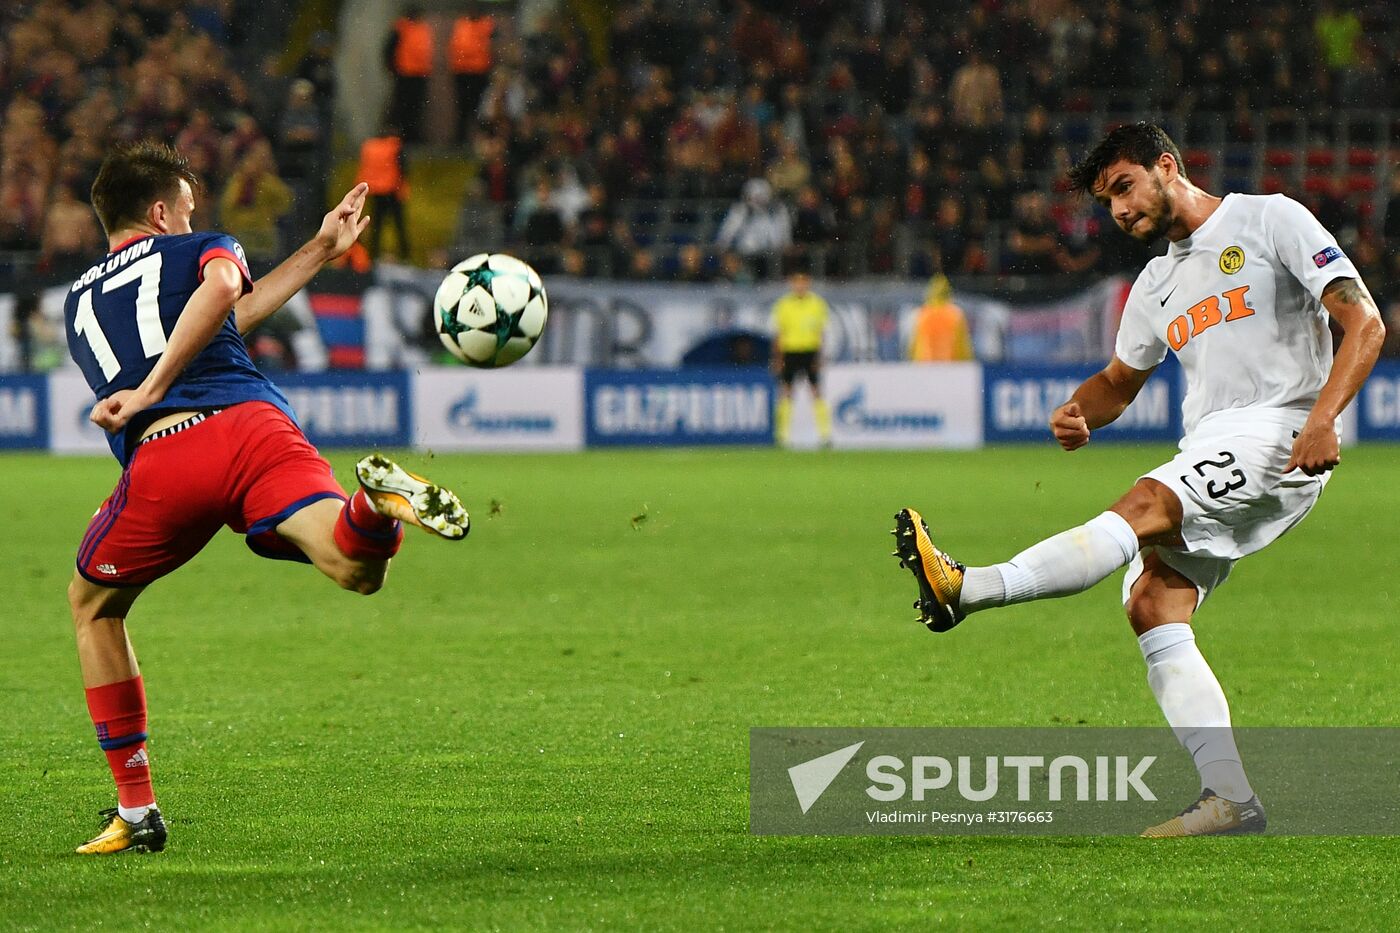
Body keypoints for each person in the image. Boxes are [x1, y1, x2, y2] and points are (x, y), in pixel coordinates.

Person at [891, 123, 1385, 837]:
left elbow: (1363, 322)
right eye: (1106, 201)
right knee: (1152, 603)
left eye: (1124, 186)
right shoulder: (1155, 284)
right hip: (1218, 442)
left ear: (1166, 165)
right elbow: (1120, 383)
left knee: (1147, 502)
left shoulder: (1269, 217)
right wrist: (1078, 412)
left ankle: (968, 588)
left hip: (1281, 432)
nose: (1119, 210)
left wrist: (1323, 419)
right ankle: (1229, 796)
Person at [64, 141, 470, 855]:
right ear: (160, 213)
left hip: (169, 456)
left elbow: (215, 315)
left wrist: (318, 249)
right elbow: (222, 295)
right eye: (186, 211)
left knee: (93, 604)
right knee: (351, 563)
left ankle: (137, 808)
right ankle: (374, 506)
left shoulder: (78, 301)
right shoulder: (200, 250)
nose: (193, 221)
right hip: (254, 426)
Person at [770, 270, 832, 447]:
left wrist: (819, 357)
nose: (800, 286)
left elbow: (821, 333)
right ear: (792, 284)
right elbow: (779, 334)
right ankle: (781, 436)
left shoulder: (817, 304)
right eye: (797, 283)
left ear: (808, 284)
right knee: (786, 392)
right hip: (790, 351)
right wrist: (778, 358)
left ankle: (825, 435)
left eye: (803, 283)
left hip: (809, 351)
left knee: (816, 392)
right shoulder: (784, 305)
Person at [357, 125, 411, 260]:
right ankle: (405, 255)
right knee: (399, 225)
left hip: (375, 190)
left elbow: (365, 165)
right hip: (391, 189)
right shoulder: (395, 146)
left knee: (376, 225)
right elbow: (402, 168)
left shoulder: (370, 146)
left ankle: (372, 255)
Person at [909, 275, 974, 362]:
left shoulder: (922, 314)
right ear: (948, 292)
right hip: (951, 367)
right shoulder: (956, 314)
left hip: (925, 367)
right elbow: (964, 346)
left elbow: (914, 346)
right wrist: (966, 364)